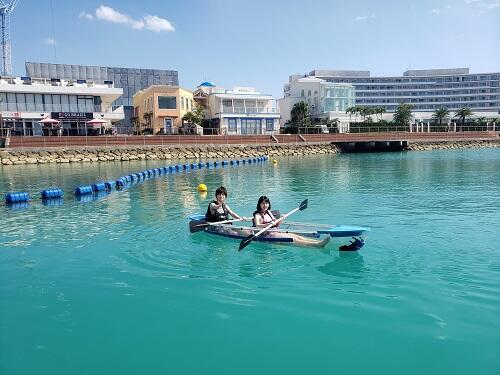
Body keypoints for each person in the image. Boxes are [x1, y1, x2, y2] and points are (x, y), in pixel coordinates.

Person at [253, 196, 330, 248]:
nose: (265, 205)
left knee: (297, 236)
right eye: (263, 203)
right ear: (259, 204)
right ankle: (316, 245)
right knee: (294, 239)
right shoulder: (257, 215)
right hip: (268, 235)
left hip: (276, 231)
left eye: (266, 203)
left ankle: (318, 242)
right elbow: (257, 225)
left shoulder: (269, 212)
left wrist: (281, 218)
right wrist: (268, 224)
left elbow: (276, 224)